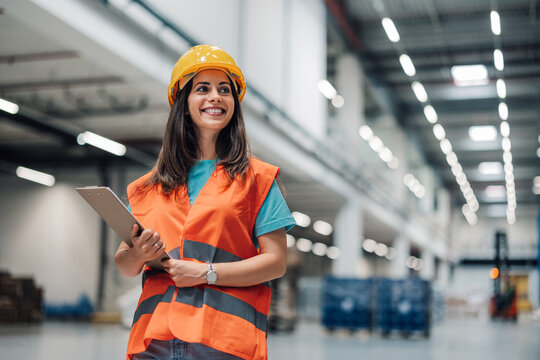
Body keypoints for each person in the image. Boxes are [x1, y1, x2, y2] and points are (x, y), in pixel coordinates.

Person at [114, 45, 296, 360]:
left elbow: (276, 262)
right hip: (154, 341)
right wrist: (139, 254)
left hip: (224, 342)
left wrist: (207, 273)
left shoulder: (257, 179)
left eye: (224, 90)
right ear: (183, 104)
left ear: (233, 105)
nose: (215, 96)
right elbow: (125, 265)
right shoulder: (147, 187)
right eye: (203, 89)